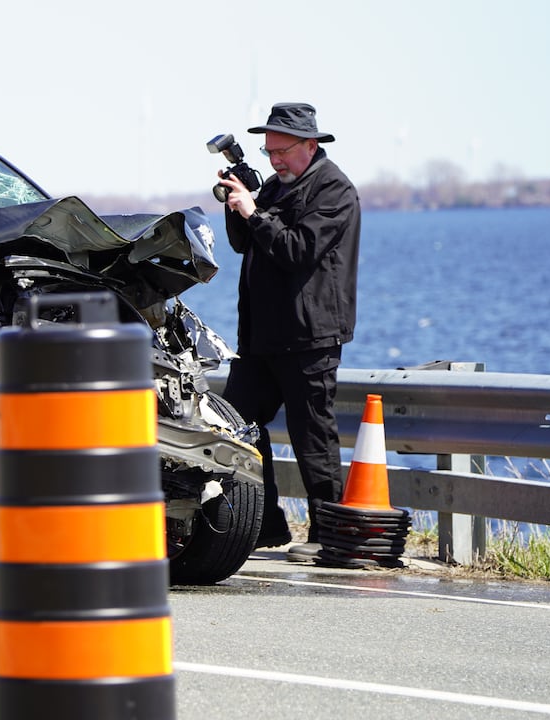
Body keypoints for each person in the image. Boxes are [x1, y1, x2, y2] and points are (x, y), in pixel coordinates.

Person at [214, 102, 361, 562]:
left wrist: (256, 212)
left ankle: (328, 534)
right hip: (261, 337)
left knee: (312, 436)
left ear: (309, 145)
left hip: (309, 337)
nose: (274, 160)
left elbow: (298, 250)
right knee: (237, 427)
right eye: (268, 151)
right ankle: (264, 524)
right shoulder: (276, 187)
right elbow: (244, 243)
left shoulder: (335, 191)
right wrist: (237, 203)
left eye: (281, 151)